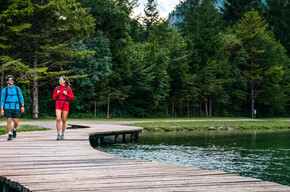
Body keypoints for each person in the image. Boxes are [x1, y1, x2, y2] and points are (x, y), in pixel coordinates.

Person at [0, 75, 25, 141]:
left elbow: (21, 97)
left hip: (16, 106)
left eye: (12, 80)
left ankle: (14, 130)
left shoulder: (17, 89)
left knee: (16, 121)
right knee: (9, 120)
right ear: (7, 81)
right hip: (7, 106)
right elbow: (2, 99)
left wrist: (22, 106)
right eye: (10, 80)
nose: (11, 81)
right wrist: (2, 109)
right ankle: (9, 134)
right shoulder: (4, 90)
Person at [53, 76, 74, 140]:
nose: (60, 81)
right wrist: (57, 94)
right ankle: (58, 134)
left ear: (64, 81)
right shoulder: (57, 88)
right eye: (59, 80)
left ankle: (62, 134)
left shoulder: (68, 88)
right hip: (58, 104)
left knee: (64, 120)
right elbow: (54, 97)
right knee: (58, 118)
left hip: (65, 105)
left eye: (61, 80)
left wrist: (66, 94)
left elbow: (72, 97)